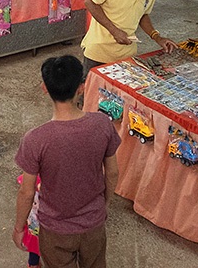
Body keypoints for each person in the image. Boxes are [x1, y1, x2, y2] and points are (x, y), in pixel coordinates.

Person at [14, 56, 120, 268]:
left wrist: (19, 228)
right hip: (94, 225)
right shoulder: (102, 124)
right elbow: (113, 173)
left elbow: (27, 192)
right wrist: (103, 205)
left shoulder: (35, 139)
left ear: (44, 88)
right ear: (81, 88)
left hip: (55, 230)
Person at [80, 0, 182, 72]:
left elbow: (143, 15)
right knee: (90, 86)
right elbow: (90, 2)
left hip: (127, 54)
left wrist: (157, 37)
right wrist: (114, 31)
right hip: (99, 51)